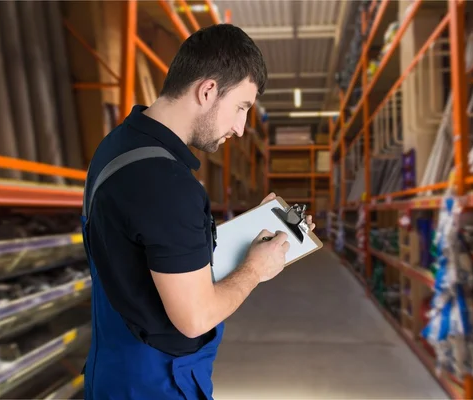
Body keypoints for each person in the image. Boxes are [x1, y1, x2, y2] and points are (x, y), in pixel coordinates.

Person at [80, 24, 314, 399]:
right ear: (207, 90)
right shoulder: (168, 184)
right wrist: (257, 268)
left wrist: (249, 229)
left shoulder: (118, 147)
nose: (240, 128)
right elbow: (196, 319)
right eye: (241, 107)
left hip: (112, 368)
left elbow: (154, 246)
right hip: (156, 384)